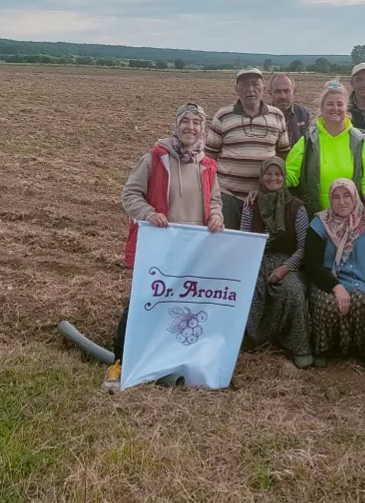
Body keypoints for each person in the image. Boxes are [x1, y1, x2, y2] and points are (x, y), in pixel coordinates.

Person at [104, 103, 225, 393]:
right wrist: (148, 214)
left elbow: (215, 200)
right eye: (185, 121)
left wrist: (217, 217)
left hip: (192, 251)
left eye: (197, 123)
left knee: (181, 306)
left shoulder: (207, 165)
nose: (190, 127)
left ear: (202, 129)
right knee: (144, 301)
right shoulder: (156, 158)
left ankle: (171, 359)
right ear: (176, 125)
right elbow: (130, 194)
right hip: (158, 248)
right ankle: (120, 362)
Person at [305, 179, 365, 372]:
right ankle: (325, 350)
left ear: (355, 197)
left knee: (362, 300)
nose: (342, 202)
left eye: (346, 196)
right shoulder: (319, 224)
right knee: (326, 303)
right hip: (328, 281)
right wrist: (336, 286)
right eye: (336, 197)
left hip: (361, 280)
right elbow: (312, 264)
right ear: (330, 200)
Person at [240, 157, 312, 368]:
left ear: (284, 177)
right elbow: (245, 240)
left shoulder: (296, 207)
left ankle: (298, 345)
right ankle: (252, 339)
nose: (273, 178)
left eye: (278, 174)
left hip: (289, 262)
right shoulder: (251, 204)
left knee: (294, 290)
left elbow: (303, 247)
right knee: (250, 289)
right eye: (268, 174)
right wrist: (250, 266)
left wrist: (285, 268)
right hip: (256, 259)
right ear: (262, 177)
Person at [205, 67, 292, 230]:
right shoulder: (223, 116)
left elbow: (283, 155)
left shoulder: (276, 116)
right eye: (244, 85)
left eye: (255, 84)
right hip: (228, 198)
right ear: (236, 89)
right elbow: (209, 158)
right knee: (225, 244)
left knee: (257, 247)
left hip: (264, 198)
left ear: (263, 88)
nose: (250, 89)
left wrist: (269, 188)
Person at [285, 78, 365, 223]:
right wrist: (267, 186)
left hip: (350, 218)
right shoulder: (308, 141)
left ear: (346, 108)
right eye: (330, 104)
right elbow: (290, 174)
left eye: (339, 104)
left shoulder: (359, 142)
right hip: (315, 218)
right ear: (322, 108)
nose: (335, 108)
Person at [269, 73, 312, 146]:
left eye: (287, 91)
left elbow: (310, 144)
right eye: (278, 91)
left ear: (294, 92)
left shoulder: (304, 114)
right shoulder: (263, 115)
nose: (282, 96)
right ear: (270, 93)